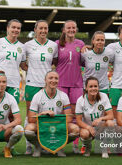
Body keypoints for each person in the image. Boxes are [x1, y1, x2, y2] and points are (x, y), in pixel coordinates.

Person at [24, 70, 79, 157]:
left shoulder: (63, 96)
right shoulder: (37, 96)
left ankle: (60, 146)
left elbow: (69, 118)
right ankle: (38, 146)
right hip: (42, 125)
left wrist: (55, 119)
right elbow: (31, 118)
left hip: (57, 125)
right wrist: (43, 114)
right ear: (45, 80)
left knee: (75, 129)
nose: (53, 80)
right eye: (50, 78)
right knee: (28, 130)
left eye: (56, 78)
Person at [24, 20, 58, 154]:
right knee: (30, 116)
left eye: (46, 28)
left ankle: (44, 143)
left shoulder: (53, 45)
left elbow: (54, 63)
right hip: (32, 84)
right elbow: (22, 64)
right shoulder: (27, 45)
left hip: (47, 86)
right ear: (35, 29)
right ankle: (28, 145)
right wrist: (32, 70)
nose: (43, 31)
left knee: (46, 116)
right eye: (41, 28)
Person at [56, 20, 85, 154]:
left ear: (76, 29)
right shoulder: (57, 44)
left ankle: (75, 145)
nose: (71, 30)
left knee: (75, 115)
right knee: (61, 116)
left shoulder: (81, 44)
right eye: (69, 28)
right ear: (64, 30)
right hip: (61, 84)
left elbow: (85, 62)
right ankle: (58, 144)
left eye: (73, 27)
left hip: (76, 84)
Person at [75, 76, 114, 158]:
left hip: (100, 127)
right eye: (91, 86)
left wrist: (100, 119)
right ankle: (87, 147)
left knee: (110, 123)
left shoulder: (103, 96)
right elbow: (78, 120)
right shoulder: (80, 100)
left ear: (98, 87)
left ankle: (104, 148)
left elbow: (111, 115)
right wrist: (88, 127)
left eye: (95, 86)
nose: (93, 88)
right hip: (87, 128)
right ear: (86, 88)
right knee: (84, 134)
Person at [81, 31, 114, 95]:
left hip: (103, 87)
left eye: (102, 40)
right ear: (93, 41)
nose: (100, 42)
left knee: (103, 105)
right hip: (88, 87)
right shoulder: (85, 53)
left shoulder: (109, 52)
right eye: (98, 40)